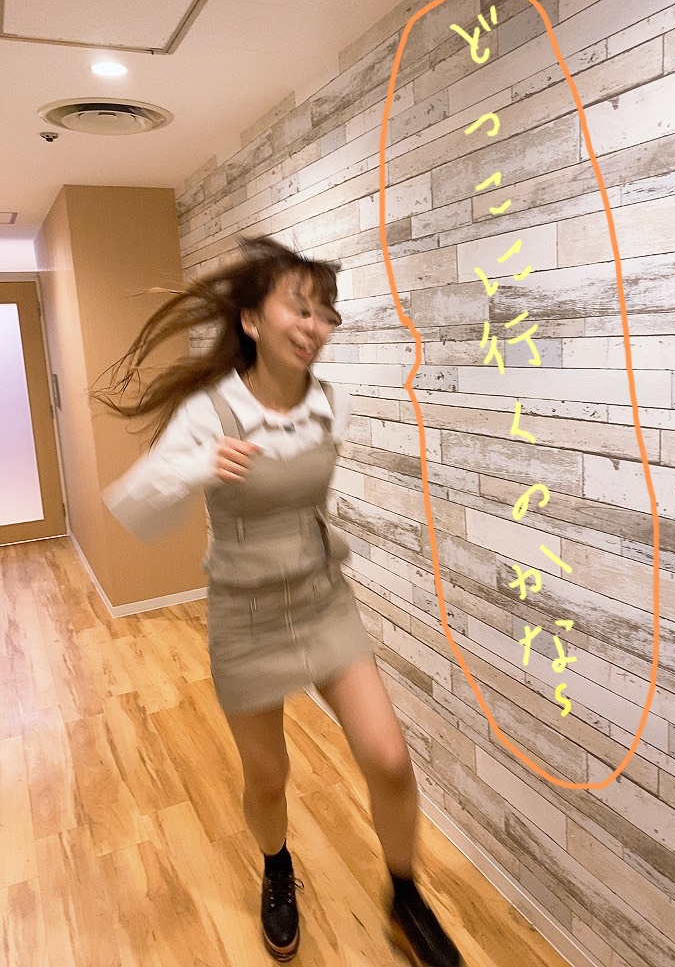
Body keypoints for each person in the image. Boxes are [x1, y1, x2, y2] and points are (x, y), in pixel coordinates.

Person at [95, 236, 465, 966]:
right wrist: (199, 465)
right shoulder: (210, 411)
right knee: (268, 777)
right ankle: (276, 866)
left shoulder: (331, 404)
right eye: (299, 308)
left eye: (326, 313)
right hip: (246, 614)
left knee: (389, 759)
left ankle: (405, 896)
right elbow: (134, 508)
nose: (315, 326)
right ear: (251, 320)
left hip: (325, 599)